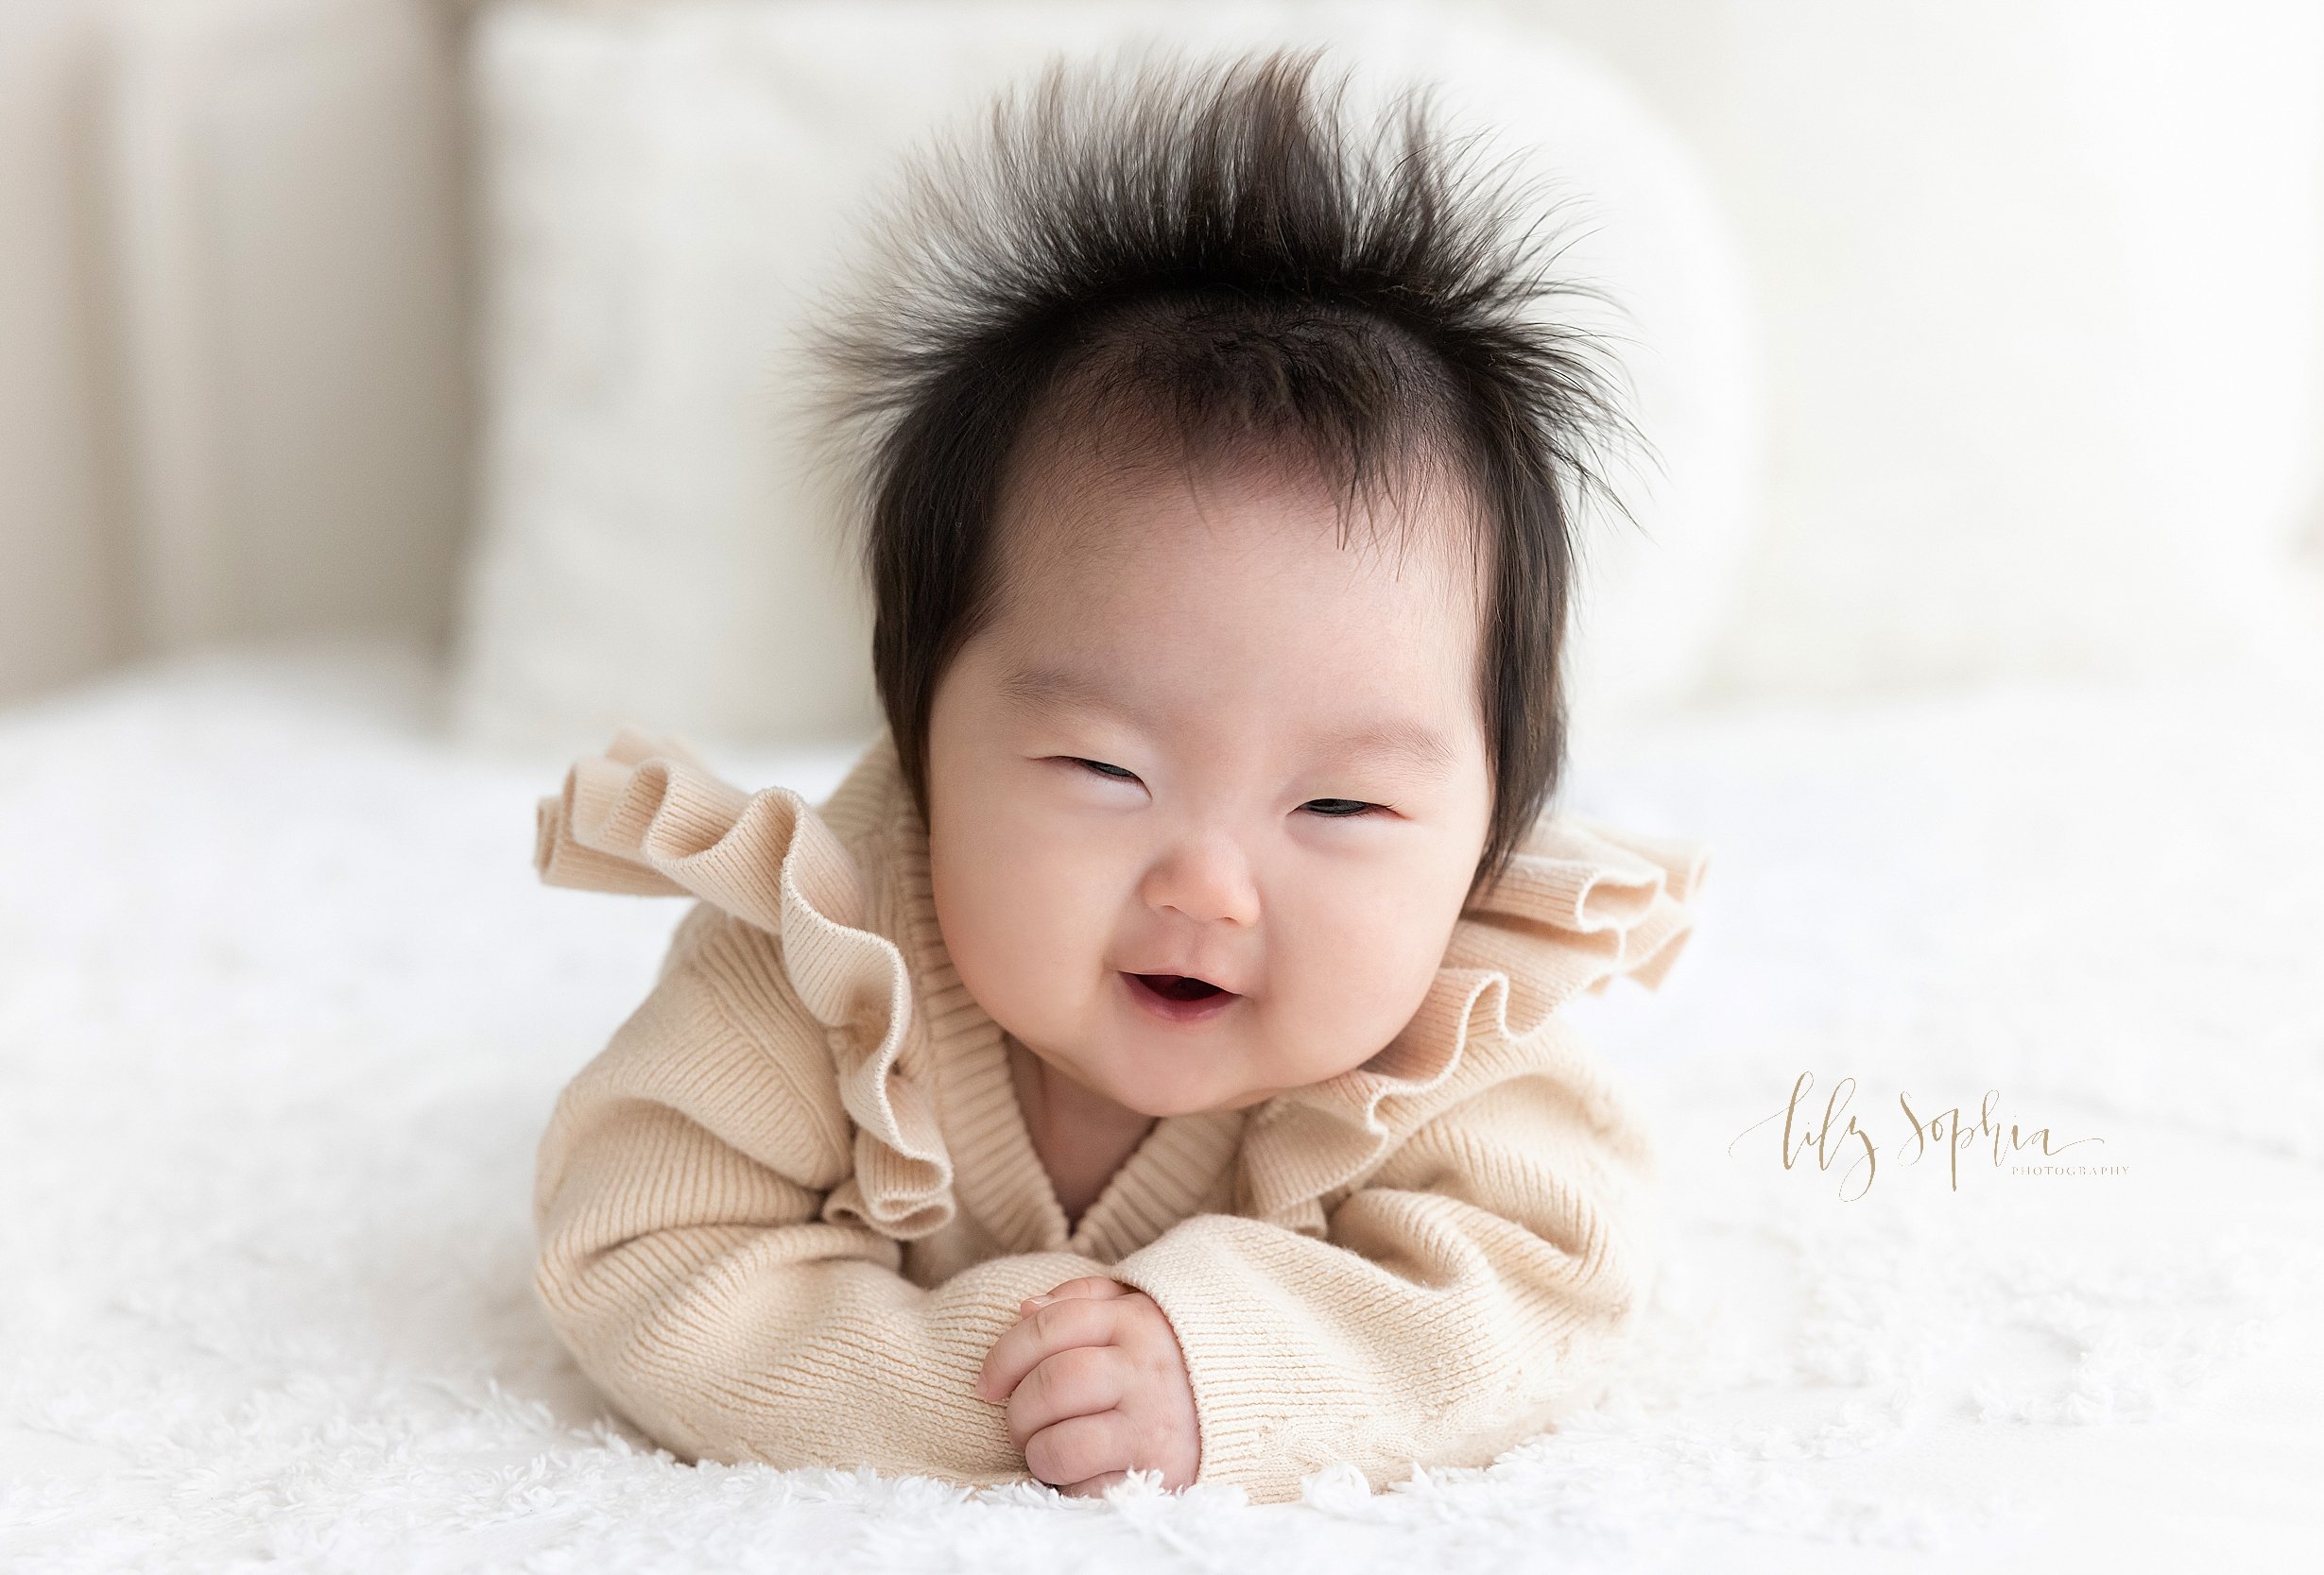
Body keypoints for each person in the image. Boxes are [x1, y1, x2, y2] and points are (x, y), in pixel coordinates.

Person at [526, 48, 1708, 1506]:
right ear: (923, 733)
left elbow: (1546, 1288)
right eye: (1102, 768)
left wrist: (1224, 1368)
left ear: (1481, 833)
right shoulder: (821, 957)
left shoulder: (1444, 1029)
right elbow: (638, 1247)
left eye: (1339, 806)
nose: (1205, 885)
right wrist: (1003, 1392)